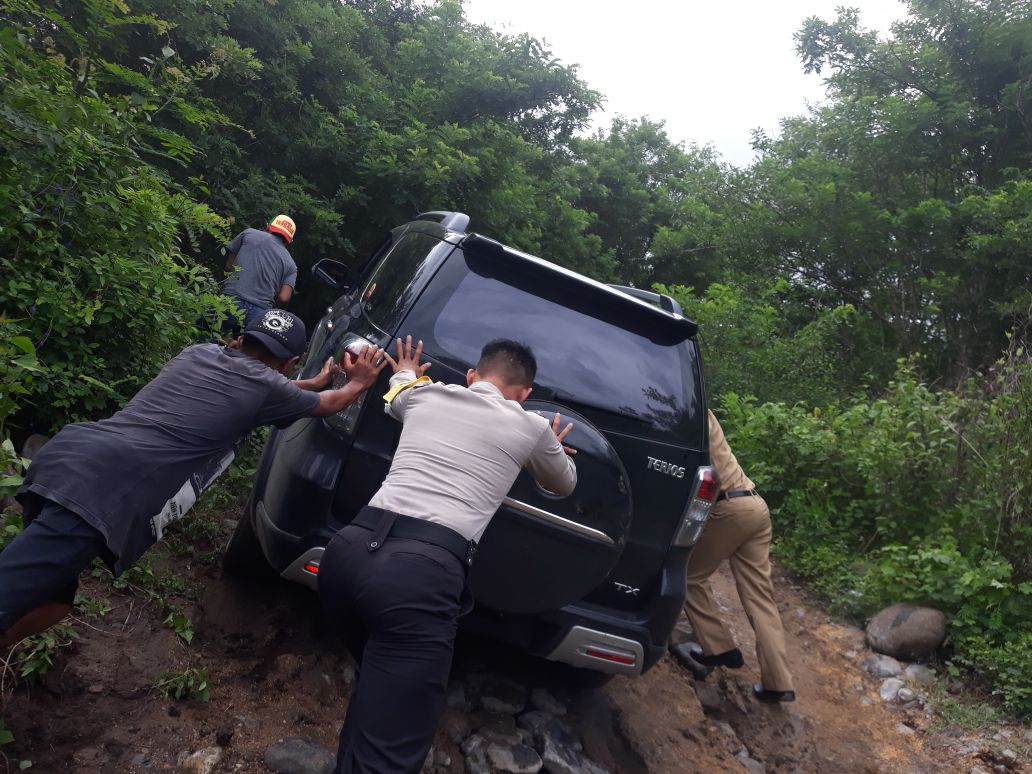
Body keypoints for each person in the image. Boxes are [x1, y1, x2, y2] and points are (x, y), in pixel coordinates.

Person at [0, 309, 386, 651]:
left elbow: (260, 387)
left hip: (68, 460)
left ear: (239, 340)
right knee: (11, 592)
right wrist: (359, 381)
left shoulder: (199, 353)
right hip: (103, 492)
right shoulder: (268, 387)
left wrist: (313, 384)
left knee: (53, 601)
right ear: (290, 364)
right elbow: (326, 404)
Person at [318, 336, 577, 773]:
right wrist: (549, 444)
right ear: (524, 394)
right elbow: (564, 483)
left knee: (376, 698)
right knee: (388, 747)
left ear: (473, 376)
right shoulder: (531, 427)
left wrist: (406, 369)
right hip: (416, 580)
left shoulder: (425, 394)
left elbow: (398, 391)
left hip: (345, 555)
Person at [682, 410, 795, 703]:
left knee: (688, 576)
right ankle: (779, 683)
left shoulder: (690, 409)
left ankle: (718, 648)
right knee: (761, 600)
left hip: (731, 508)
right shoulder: (699, 407)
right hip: (756, 505)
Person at [222, 214, 299, 331]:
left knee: (206, 337)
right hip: (259, 315)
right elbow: (283, 298)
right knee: (245, 347)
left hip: (231, 299)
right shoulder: (291, 264)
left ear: (269, 227)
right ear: (290, 241)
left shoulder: (249, 234)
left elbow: (228, 267)